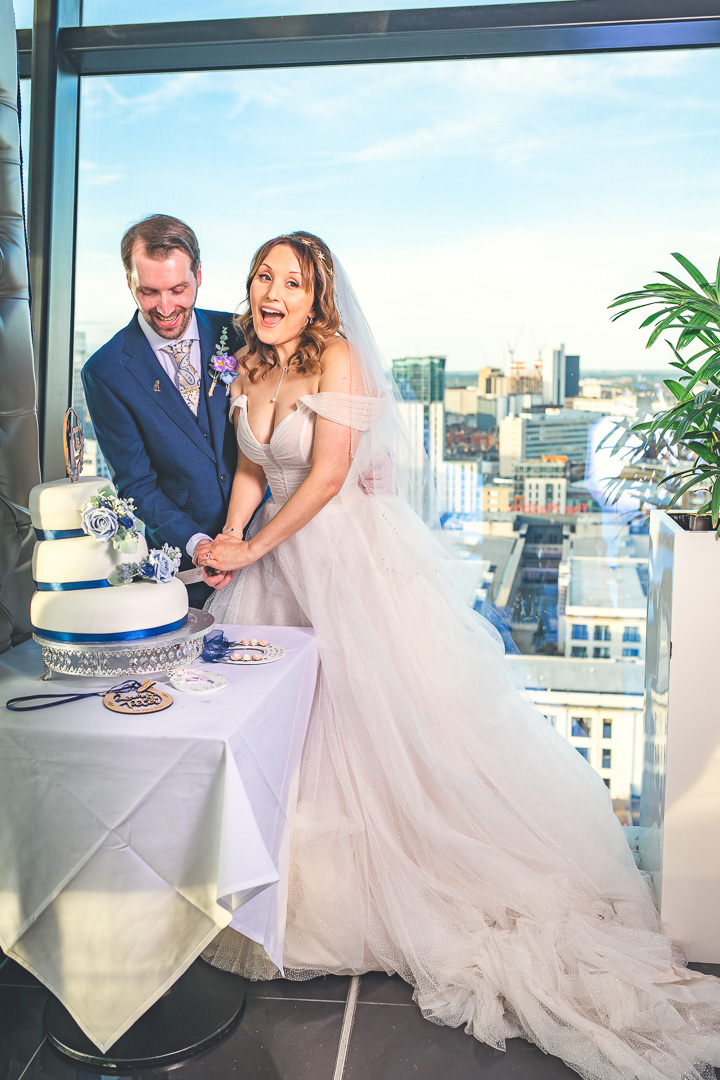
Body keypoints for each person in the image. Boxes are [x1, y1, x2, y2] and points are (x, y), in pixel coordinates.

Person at [201, 231, 720, 1080]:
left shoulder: (339, 359)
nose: (273, 292)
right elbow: (253, 473)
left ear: (318, 296)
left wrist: (254, 546)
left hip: (342, 561)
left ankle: (391, 888)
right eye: (264, 276)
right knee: (287, 734)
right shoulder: (250, 365)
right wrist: (231, 537)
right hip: (273, 560)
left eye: (292, 281)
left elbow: (326, 477)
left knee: (371, 731)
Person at [81, 214, 244, 607]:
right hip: (191, 574)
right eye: (149, 292)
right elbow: (136, 484)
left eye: (178, 289)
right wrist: (198, 544)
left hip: (271, 545)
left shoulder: (241, 333)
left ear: (198, 275)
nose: (166, 307)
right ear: (129, 282)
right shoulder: (105, 371)